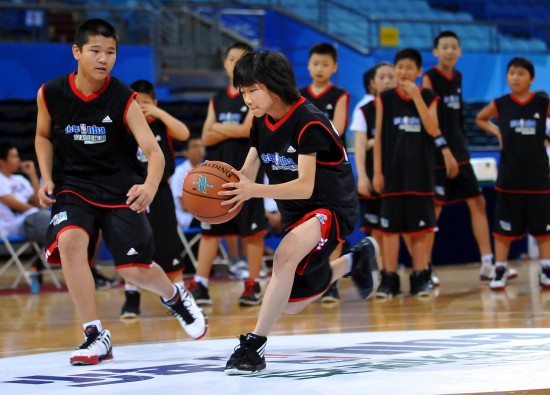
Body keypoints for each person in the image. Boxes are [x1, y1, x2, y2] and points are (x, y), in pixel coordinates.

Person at [34, 18, 206, 366]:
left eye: (110, 52)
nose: (103, 59)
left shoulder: (124, 98)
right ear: (77, 52)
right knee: (70, 242)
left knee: (133, 271)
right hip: (73, 186)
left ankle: (175, 296)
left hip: (118, 190)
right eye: (95, 51)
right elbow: (41, 136)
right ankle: (95, 335)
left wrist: (150, 185)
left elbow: (154, 152)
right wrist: (46, 176)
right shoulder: (50, 93)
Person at [222, 50, 379, 375]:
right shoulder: (260, 121)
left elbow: (305, 186)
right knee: (291, 304)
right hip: (297, 213)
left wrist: (254, 191)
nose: (246, 98)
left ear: (274, 86)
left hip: (331, 207)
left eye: (252, 90)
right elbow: (248, 170)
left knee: (283, 258)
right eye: (243, 92)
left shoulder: (309, 121)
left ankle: (253, 347)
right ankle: (355, 260)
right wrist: (227, 193)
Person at [372, 48, 458, 297]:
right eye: (400, 67)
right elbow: (378, 138)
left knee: (420, 230)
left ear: (419, 72)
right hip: (392, 174)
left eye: (409, 68)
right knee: (389, 231)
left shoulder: (430, 97)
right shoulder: (385, 98)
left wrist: (417, 98)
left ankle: (421, 277)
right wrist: (377, 172)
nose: (403, 72)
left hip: (421, 175)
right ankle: (389, 280)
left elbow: (433, 129)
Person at [189, 41, 267, 307]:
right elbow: (204, 136)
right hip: (216, 174)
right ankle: (200, 285)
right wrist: (226, 130)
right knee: (211, 230)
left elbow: (248, 131)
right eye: (231, 58)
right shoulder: (217, 98)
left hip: (247, 173)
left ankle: (252, 284)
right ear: (225, 63)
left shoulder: (255, 93)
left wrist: (218, 128)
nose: (235, 63)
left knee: (252, 233)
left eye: (241, 59)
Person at [422, 31, 503, 286]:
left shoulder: (458, 76)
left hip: (460, 152)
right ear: (435, 51)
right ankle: (424, 267)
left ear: (460, 52)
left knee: (478, 202)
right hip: (438, 154)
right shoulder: (429, 78)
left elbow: (456, 119)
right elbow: (430, 119)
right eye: (444, 47)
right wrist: (443, 148)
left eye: (453, 47)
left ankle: (488, 262)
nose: (449, 51)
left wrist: (459, 148)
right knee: (434, 211)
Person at [475, 56, 550, 290]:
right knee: (502, 231)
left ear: (531, 78)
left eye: (521, 74)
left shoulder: (541, 104)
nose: (515, 78)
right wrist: (497, 133)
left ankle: (546, 268)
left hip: (539, 177)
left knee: (544, 229)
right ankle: (500, 268)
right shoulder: (500, 103)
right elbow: (480, 118)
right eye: (511, 73)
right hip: (509, 177)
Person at [120, 79, 191, 319]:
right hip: (132, 192)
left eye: (146, 103)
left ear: (155, 103)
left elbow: (185, 133)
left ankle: (179, 297)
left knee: (168, 242)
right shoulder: (125, 127)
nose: (141, 107)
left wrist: (159, 112)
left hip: (160, 192)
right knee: (132, 246)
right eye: (137, 103)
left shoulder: (161, 124)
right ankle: (131, 297)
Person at [299, 42, 350, 303]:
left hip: (331, 172)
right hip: (303, 170)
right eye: (315, 63)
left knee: (334, 227)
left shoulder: (340, 95)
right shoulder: (298, 95)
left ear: (334, 67)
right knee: (306, 226)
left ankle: (331, 282)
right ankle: (310, 278)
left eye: (325, 64)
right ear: (308, 65)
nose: (319, 68)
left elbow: (336, 130)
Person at [353, 62, 397, 297]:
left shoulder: (405, 108)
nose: (388, 81)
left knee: (406, 229)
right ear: (373, 82)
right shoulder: (364, 110)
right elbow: (359, 146)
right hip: (373, 177)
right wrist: (363, 176)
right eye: (383, 77)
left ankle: (422, 271)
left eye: (392, 77)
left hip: (400, 179)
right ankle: (381, 275)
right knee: (378, 230)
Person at [171, 134, 204, 230]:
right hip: (186, 217)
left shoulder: (207, 170)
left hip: (202, 213)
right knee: (219, 222)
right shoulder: (179, 172)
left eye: (201, 146)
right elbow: (184, 206)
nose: (199, 149)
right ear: (185, 152)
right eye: (195, 146)